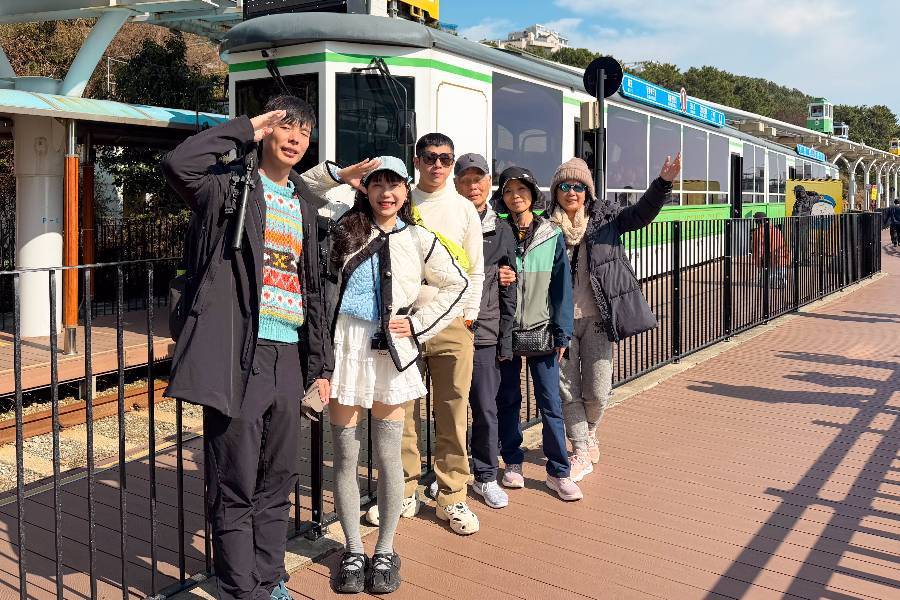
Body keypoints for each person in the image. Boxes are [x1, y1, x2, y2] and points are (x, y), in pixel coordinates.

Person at [161, 97, 366, 600]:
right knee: (234, 483)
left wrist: (320, 363)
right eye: (284, 126)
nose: (295, 138)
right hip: (240, 356)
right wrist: (245, 127)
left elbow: (312, 290)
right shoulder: (228, 187)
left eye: (303, 131)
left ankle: (269, 578)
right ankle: (239, 589)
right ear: (266, 133)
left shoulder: (305, 202)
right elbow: (177, 164)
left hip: (289, 356)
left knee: (278, 480)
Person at [327, 157, 468, 594]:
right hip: (345, 349)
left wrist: (420, 323)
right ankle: (353, 548)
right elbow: (306, 189)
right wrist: (340, 173)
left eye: (394, 185)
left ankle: (385, 548)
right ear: (364, 189)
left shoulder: (420, 239)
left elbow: (458, 284)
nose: (386, 193)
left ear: (406, 191)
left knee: (389, 460)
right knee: (347, 458)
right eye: (376, 184)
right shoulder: (341, 229)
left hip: (392, 353)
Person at [549, 156, 680, 484]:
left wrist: (663, 182)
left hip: (598, 320)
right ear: (555, 191)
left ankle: (589, 433)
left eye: (578, 186)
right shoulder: (545, 227)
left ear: (588, 191)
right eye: (564, 185)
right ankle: (579, 448)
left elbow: (641, 213)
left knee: (598, 390)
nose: (571, 192)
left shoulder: (605, 219)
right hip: (560, 325)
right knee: (567, 391)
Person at [492, 166, 578, 501]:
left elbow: (562, 289)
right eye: (509, 191)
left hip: (543, 328)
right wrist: (497, 275)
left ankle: (559, 471)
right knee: (508, 400)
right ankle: (512, 461)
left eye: (522, 190)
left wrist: (563, 332)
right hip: (506, 329)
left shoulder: (551, 233)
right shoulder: (497, 232)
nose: (516, 197)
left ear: (532, 193)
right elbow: (484, 274)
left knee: (550, 402)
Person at [454, 153, 517, 508]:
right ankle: (449, 472)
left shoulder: (501, 229)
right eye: (466, 179)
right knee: (448, 407)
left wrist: (505, 336)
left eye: (479, 179)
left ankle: (485, 474)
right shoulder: (444, 221)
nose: (473, 185)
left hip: (484, 331)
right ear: (457, 184)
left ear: (487, 183)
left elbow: (511, 287)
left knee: (484, 406)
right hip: (446, 327)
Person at [752, 212, 790, 288]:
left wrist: (759, 261)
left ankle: (772, 283)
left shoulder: (758, 232)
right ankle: (781, 282)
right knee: (779, 272)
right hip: (780, 256)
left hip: (770, 259)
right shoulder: (775, 229)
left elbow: (759, 248)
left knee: (768, 275)